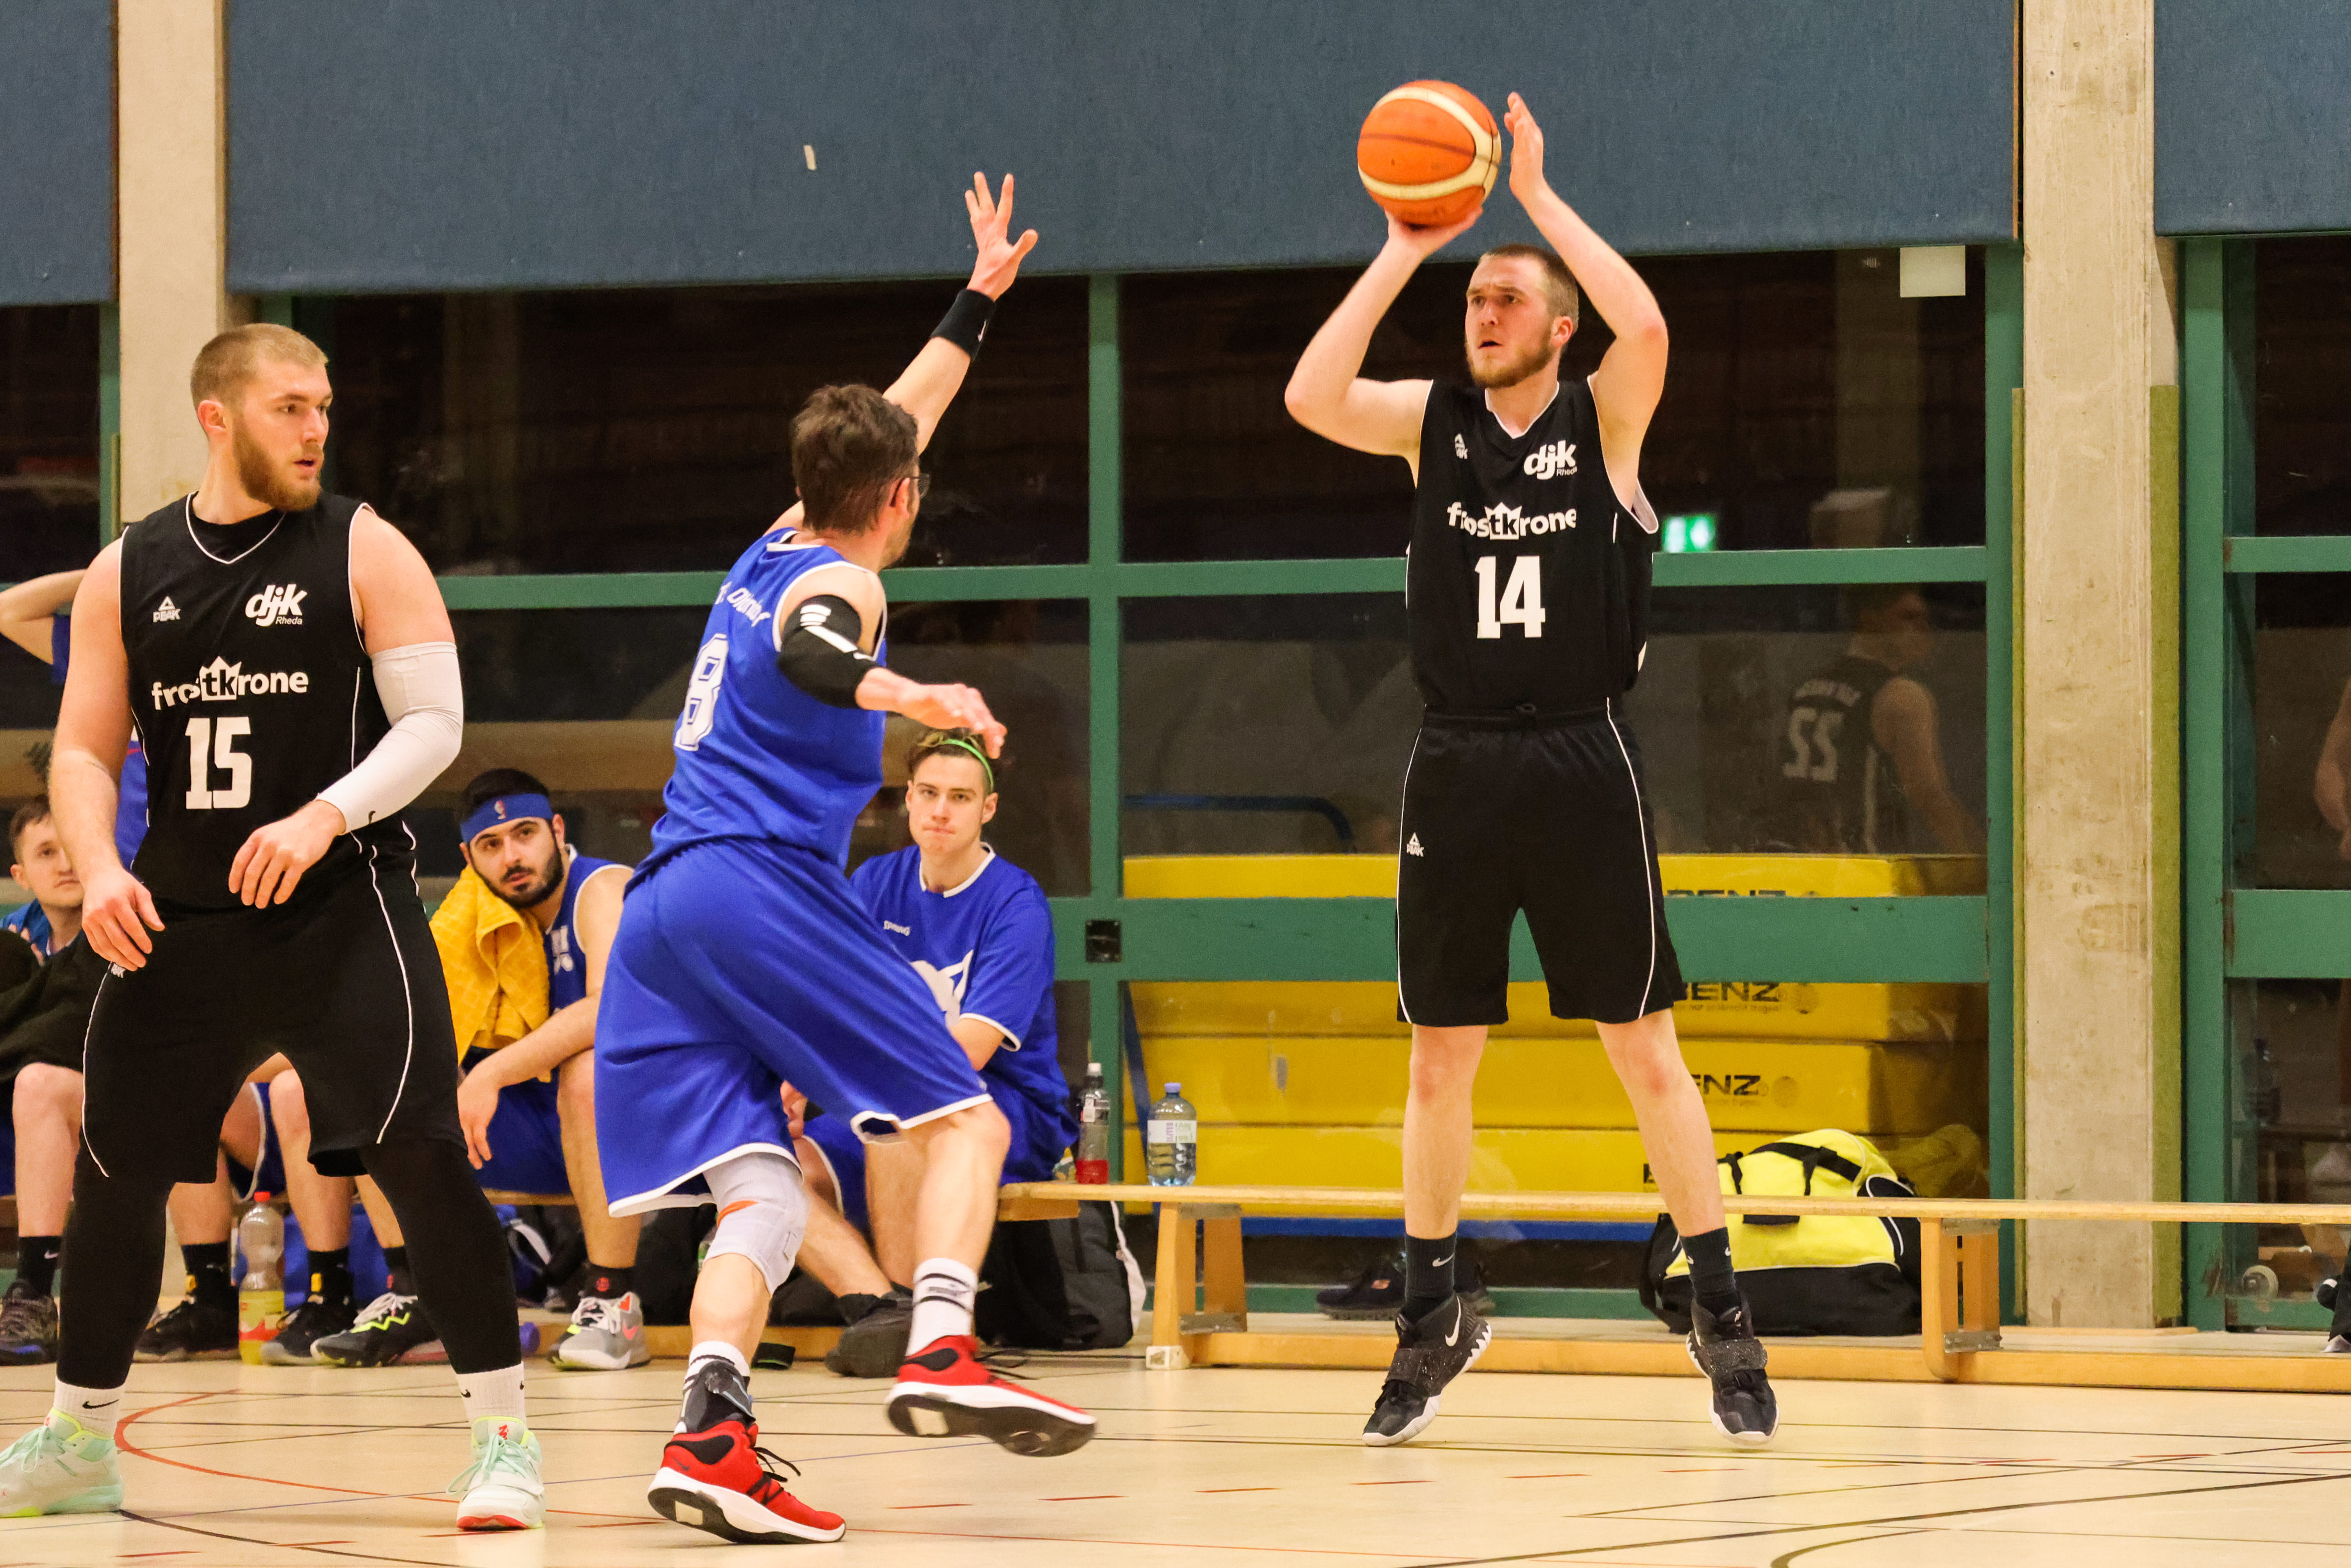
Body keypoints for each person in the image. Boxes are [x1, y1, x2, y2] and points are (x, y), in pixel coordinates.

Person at [596, 173, 1092, 1547]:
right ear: (903, 497)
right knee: (965, 1121)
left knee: (761, 1187)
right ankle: (944, 1339)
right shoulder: (844, 584)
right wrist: (912, 689)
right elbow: (819, 650)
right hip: (755, 883)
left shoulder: (772, 538)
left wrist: (975, 301)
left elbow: (901, 416)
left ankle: (709, 1431)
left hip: (662, 913)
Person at [1283, 94, 1779, 1447]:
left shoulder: (1601, 421)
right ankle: (1428, 1309)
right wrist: (1404, 243)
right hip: (1456, 757)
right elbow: (1309, 394)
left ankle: (1720, 1306)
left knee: (1643, 1047)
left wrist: (1541, 204)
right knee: (1438, 1056)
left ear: (1559, 327)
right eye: (1475, 298)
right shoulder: (1429, 423)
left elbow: (1649, 329)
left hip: (1578, 752)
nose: (1482, 312)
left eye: (1507, 298)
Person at [0, 323, 541, 1529]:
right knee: (115, 1173)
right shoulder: (128, 569)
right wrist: (101, 866)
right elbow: (83, 747)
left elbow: (435, 724)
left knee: (420, 1154)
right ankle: (79, 1437)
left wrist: (321, 814)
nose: (316, 429)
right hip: (181, 915)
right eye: (290, 406)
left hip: (341, 910)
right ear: (218, 415)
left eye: (324, 408)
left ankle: (504, 1438)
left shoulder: (364, 545)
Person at [286, 768, 642, 1370]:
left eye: (525, 833)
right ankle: (419, 1296)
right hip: (531, 1124)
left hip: (636, 1125)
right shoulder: (469, 914)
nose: (512, 857)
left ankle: (614, 1301)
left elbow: (608, 1009)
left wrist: (490, 1073)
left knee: (587, 1073)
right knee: (358, 1079)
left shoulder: (602, 888)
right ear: (468, 857)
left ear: (558, 831)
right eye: (491, 844)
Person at [793, 730, 1078, 1378]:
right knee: (774, 1161)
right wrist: (795, 1077)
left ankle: (923, 1322)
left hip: (1006, 1106)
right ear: (908, 799)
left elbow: (968, 1051)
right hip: (885, 1091)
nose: (941, 810)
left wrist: (850, 1078)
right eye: (928, 793)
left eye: (959, 797)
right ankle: (880, 1304)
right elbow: (826, 1001)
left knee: (901, 1112)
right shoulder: (874, 881)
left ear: (988, 808)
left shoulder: (1015, 902)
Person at [1780, 583, 1979, 854]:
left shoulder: (1806, 689)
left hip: (1801, 865)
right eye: (1908, 617)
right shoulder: (1900, 696)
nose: (1924, 629)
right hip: (1864, 867)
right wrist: (1979, 864)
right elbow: (1931, 800)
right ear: (1871, 619)